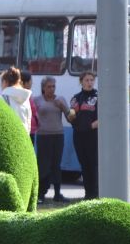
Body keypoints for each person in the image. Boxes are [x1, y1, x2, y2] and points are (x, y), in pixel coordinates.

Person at [33, 77, 72, 202]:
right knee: (43, 165)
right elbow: (33, 117)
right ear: (43, 88)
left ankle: (57, 193)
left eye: (53, 86)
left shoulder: (60, 99)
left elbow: (70, 117)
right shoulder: (37, 100)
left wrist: (63, 107)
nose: (51, 89)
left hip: (58, 135)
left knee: (56, 165)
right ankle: (40, 194)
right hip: (43, 136)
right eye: (49, 86)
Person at [68, 72, 99, 200]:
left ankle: (95, 193)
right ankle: (88, 194)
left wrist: (92, 126)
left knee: (94, 164)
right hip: (78, 136)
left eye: (92, 80)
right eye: (87, 80)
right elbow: (71, 116)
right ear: (81, 81)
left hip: (93, 135)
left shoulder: (98, 97)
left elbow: (103, 116)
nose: (90, 82)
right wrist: (71, 116)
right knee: (84, 165)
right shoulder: (76, 98)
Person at [0, 66, 32, 137]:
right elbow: (28, 122)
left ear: (5, 82)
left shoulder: (2, 98)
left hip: (10, 138)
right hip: (24, 139)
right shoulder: (26, 98)